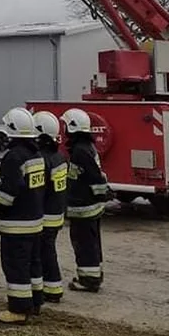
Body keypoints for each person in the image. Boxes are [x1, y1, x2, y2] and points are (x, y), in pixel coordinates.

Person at [0, 107, 45, 324]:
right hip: (35, 223)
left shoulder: (13, 157)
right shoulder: (37, 154)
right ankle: (35, 302)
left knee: (16, 266)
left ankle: (18, 310)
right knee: (34, 264)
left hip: (16, 225)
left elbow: (8, 192)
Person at [60, 108, 109, 292]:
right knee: (90, 243)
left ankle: (89, 281)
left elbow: (94, 178)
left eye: (65, 125)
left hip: (84, 207)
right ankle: (93, 275)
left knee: (84, 244)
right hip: (88, 206)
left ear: (72, 128)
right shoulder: (84, 148)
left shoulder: (81, 151)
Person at [32, 110, 68, 305]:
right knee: (48, 250)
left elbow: (39, 190)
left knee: (42, 253)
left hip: (45, 215)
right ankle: (53, 287)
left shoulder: (43, 159)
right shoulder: (60, 157)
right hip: (57, 213)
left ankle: (52, 289)